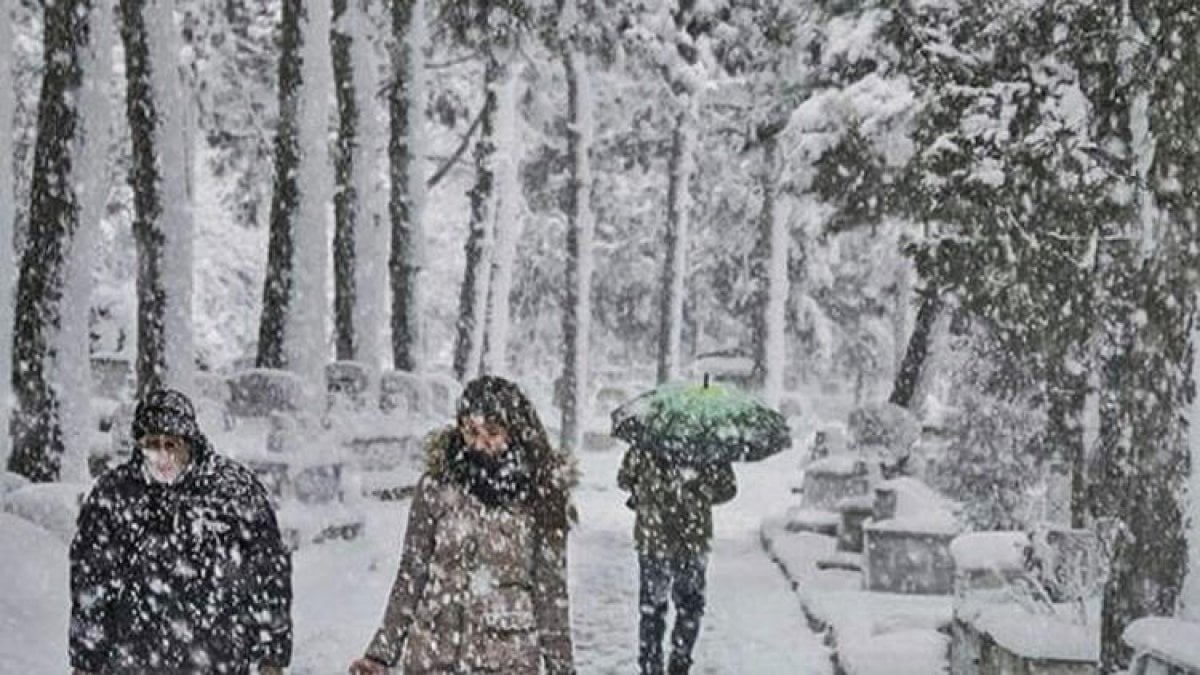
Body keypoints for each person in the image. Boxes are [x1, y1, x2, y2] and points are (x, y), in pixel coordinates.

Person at [349, 375, 577, 675]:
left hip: (507, 657)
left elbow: (550, 591)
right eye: (471, 432)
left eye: (492, 432)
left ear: (515, 431)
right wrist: (381, 653)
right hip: (434, 653)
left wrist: (562, 668)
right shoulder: (435, 488)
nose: (480, 443)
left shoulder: (541, 496)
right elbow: (411, 573)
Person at [69, 388, 292, 674]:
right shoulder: (114, 494)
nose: (162, 456)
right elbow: (91, 581)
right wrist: (86, 661)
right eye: (152, 444)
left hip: (217, 657)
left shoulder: (234, 491)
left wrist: (271, 656)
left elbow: (269, 572)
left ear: (190, 442)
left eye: (171, 444)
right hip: (134, 659)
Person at [617, 446, 737, 675]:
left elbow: (624, 479)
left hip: (654, 535)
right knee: (690, 606)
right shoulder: (708, 447)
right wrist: (701, 489)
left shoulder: (646, 442)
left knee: (652, 607)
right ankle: (680, 661)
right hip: (691, 537)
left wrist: (648, 487)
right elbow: (728, 488)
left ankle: (651, 664)